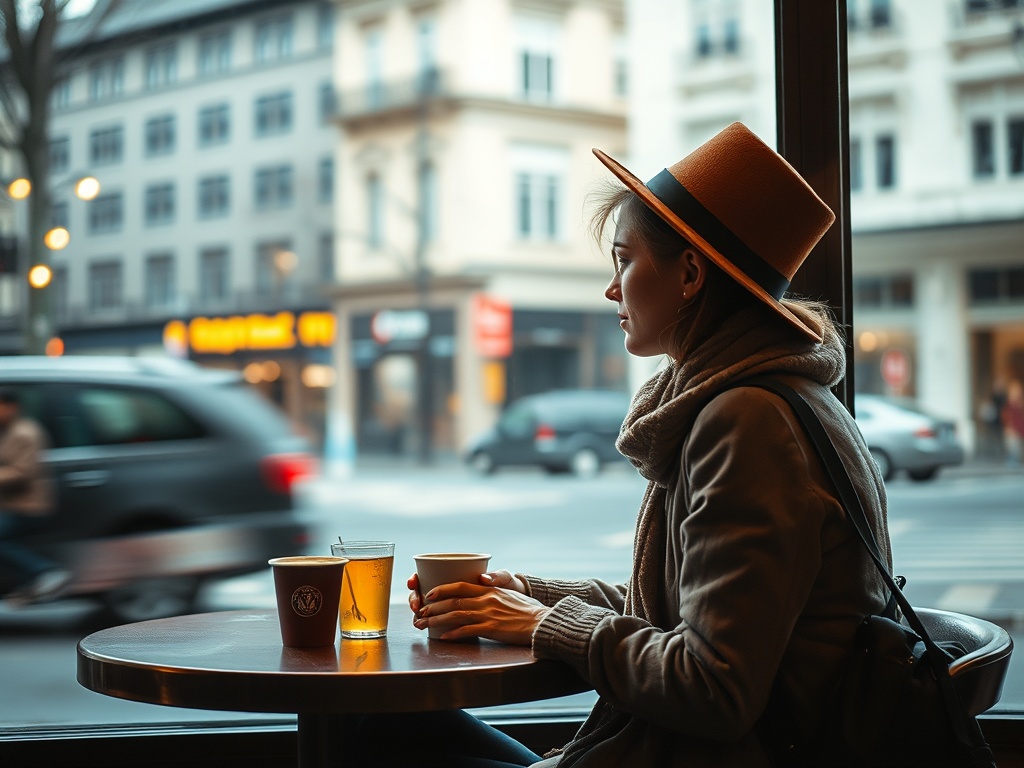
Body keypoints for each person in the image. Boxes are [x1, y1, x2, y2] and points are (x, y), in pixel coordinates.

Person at [344, 122, 893, 767]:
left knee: (361, 728)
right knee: (371, 717)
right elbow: (676, 612)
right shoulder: (770, 399)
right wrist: (524, 594)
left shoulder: (747, 421)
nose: (612, 289)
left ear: (689, 273)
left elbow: (716, 688)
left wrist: (544, 626)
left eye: (623, 260)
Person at [0, 388, 68, 605]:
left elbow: (22, 472)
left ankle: (44, 571)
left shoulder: (24, 433)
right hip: (12, 504)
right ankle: (23, 584)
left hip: (28, 507)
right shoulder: (9, 430)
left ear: (12, 407)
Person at [1001, 379, 1024, 466]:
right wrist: (1008, 427)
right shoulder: (1008, 403)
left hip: (1020, 428)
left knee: (1018, 448)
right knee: (1012, 447)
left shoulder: (1020, 403)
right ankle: (1013, 461)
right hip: (1013, 428)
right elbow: (1005, 416)